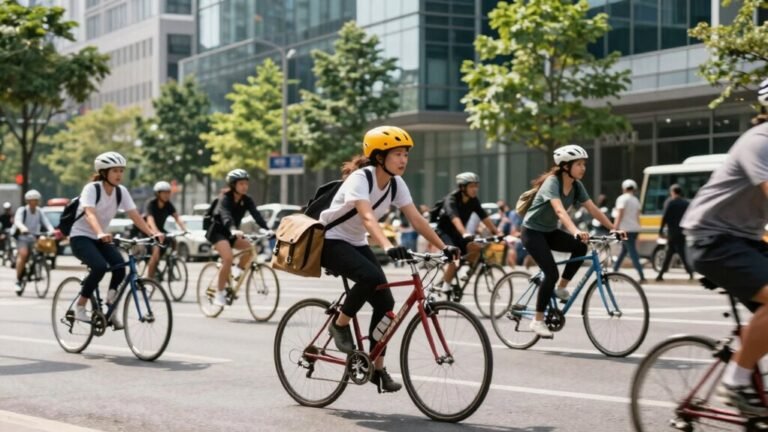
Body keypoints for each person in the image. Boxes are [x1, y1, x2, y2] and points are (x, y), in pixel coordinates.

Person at [321, 126, 459, 394]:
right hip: (330, 241)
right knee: (370, 277)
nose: (403, 159)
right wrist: (387, 244)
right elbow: (366, 216)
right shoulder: (361, 178)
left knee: (385, 304)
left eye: (406, 154)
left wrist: (444, 247)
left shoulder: (396, 183)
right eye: (397, 154)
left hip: (356, 243)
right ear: (379, 156)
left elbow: (416, 219)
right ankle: (339, 325)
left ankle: (378, 367)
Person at [682, 78, 768, 416]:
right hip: (711, 238)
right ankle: (735, 382)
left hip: (743, 240)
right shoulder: (759, 142)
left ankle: (745, 368)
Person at [521, 144, 625, 337]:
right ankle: (537, 320)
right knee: (550, 272)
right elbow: (559, 210)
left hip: (549, 231)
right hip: (532, 232)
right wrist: (576, 230)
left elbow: (592, 208)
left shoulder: (577, 186)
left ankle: (561, 288)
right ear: (566, 166)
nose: (583, 168)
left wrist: (614, 229)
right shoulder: (552, 182)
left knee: (580, 246)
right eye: (579, 164)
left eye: (584, 164)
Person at [71, 152, 163, 328]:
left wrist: (152, 234)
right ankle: (80, 306)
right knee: (99, 267)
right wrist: (99, 232)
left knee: (120, 268)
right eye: (115, 171)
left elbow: (135, 215)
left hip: (100, 238)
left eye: (121, 170)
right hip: (80, 236)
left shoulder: (121, 192)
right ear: (104, 172)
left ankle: (111, 307)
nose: (119, 174)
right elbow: (89, 213)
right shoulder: (92, 189)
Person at [205, 169, 270, 307]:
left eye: (246, 183)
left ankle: (237, 270)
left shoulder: (247, 200)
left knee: (250, 248)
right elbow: (226, 215)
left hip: (233, 233)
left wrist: (267, 229)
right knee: (228, 258)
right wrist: (233, 229)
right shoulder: (225, 198)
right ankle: (219, 293)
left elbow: (256, 215)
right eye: (241, 184)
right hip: (218, 232)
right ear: (233, 185)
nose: (245, 186)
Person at [434, 172, 501, 294]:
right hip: (444, 233)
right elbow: (454, 218)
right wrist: (464, 233)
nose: (475, 189)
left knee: (477, 248)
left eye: (476, 186)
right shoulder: (451, 199)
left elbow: (484, 216)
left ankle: (464, 270)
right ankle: (446, 286)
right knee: (454, 256)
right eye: (471, 186)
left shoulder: (473, 201)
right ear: (462, 187)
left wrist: (496, 233)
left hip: (459, 233)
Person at [144, 181, 188, 280]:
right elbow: (150, 220)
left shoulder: (168, 204)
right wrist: (156, 232)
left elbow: (177, 217)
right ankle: (149, 279)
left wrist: (184, 229)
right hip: (148, 231)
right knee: (156, 252)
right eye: (164, 193)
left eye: (168, 192)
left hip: (161, 231)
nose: (167, 195)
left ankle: (171, 263)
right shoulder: (151, 204)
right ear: (158, 194)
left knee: (174, 241)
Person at [13, 190, 55, 293]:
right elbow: (17, 221)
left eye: (36, 200)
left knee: (42, 251)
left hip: (34, 238)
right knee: (23, 254)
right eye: (32, 200)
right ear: (28, 201)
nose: (34, 202)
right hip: (23, 237)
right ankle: (18, 280)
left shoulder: (39, 211)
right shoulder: (22, 210)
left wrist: (51, 230)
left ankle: (36, 267)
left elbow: (46, 222)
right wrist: (23, 228)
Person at [655, 184, 693, 282]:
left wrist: (660, 230)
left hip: (672, 232)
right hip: (682, 232)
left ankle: (661, 274)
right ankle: (661, 274)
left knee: (673, 253)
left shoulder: (670, 203)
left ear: (673, 192)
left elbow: (665, 217)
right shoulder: (686, 203)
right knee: (675, 253)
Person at [612, 179, 647, 283]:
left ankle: (642, 276)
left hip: (625, 230)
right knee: (624, 251)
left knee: (633, 253)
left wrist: (614, 227)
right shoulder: (636, 200)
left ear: (624, 188)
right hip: (635, 229)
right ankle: (614, 270)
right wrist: (639, 228)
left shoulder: (622, 199)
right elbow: (637, 216)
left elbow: (620, 214)